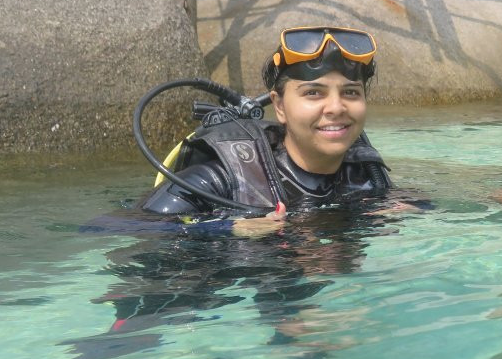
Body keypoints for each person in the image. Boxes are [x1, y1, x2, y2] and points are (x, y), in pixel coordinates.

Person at [142, 25, 391, 219]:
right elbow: (129, 231)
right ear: (280, 106)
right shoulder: (219, 181)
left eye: (351, 92)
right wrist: (225, 229)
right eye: (313, 93)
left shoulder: (365, 173)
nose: (337, 108)